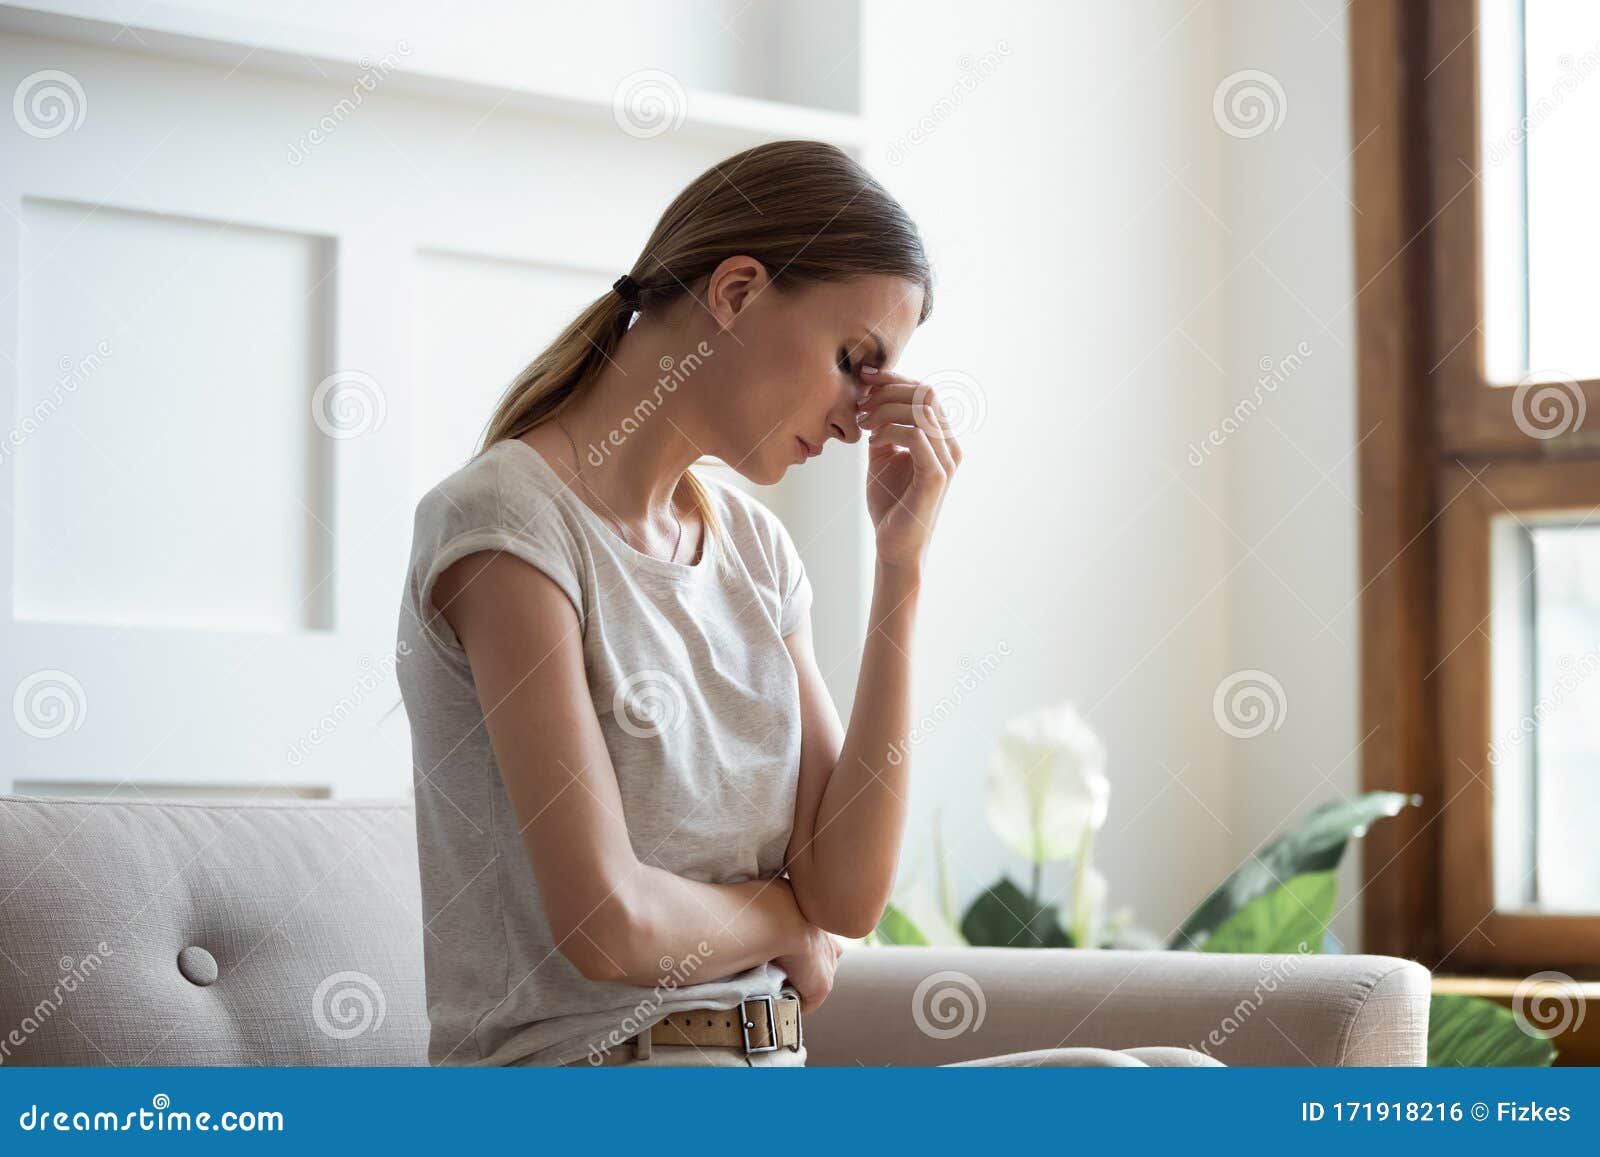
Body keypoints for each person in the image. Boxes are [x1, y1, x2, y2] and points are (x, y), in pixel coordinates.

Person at [396, 138, 958, 1067]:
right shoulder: (508, 524)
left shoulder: (756, 551)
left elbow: (849, 896)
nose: (866, 414)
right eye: (856, 359)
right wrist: (786, 916)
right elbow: (612, 923)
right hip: (596, 1073)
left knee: (1163, 1083)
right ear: (736, 292)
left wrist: (902, 563)